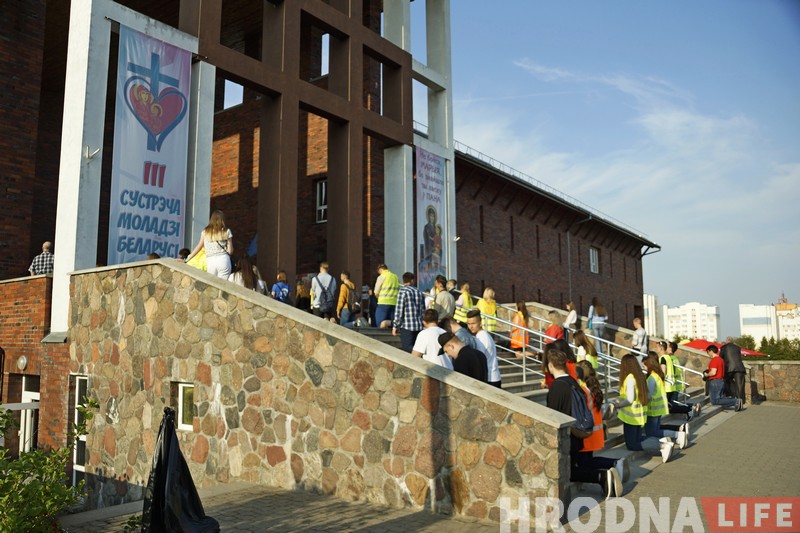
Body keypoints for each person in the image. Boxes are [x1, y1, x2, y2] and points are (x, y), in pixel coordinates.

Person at [546, 350, 622, 499]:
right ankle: (604, 475)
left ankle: (601, 476)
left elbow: (552, 415)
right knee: (575, 468)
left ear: (551, 365)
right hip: (578, 434)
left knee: (569, 473)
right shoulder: (574, 382)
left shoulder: (557, 386)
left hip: (566, 438)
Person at [611, 354, 675, 463]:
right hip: (638, 415)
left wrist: (618, 405)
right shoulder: (638, 376)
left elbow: (630, 399)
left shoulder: (630, 379)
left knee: (632, 444)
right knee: (638, 439)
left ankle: (662, 446)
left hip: (631, 417)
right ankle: (663, 443)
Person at [575, 360, 629, 487]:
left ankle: (613, 464)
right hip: (595, 431)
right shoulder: (593, 388)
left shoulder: (583, 390)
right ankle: (612, 468)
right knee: (587, 460)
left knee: (585, 462)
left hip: (587, 433)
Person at [642, 353, 688, 449]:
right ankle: (669, 439)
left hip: (652, 409)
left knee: (652, 432)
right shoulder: (658, 375)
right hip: (658, 408)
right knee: (655, 430)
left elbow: (649, 395)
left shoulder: (651, 378)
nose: (643, 368)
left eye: (644, 365)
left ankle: (677, 435)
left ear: (649, 365)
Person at [185, 210, 234, 279]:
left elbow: (199, 247)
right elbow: (230, 251)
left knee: (212, 282)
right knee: (223, 283)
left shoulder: (205, 232)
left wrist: (187, 259)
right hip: (223, 259)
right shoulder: (227, 231)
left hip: (210, 261)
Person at [658, 341, 699, 420]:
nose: (666, 348)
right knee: (671, 405)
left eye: (668, 346)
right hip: (674, 384)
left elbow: (665, 371)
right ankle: (691, 407)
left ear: (670, 348)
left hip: (670, 384)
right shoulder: (672, 358)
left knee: (669, 406)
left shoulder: (667, 358)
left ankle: (689, 408)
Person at [466, 309, 502, 389]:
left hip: (489, 379)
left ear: (480, 323)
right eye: (468, 324)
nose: (471, 326)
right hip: (493, 377)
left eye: (473, 323)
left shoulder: (481, 338)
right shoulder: (484, 335)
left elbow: (479, 361)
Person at [391, 272, 426, 352]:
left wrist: (395, 326)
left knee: (407, 349)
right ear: (412, 280)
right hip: (419, 326)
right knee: (417, 349)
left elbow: (399, 310)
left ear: (404, 280)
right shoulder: (419, 292)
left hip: (407, 326)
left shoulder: (402, 291)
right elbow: (423, 310)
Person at [704, 345, 742, 411]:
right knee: (720, 398)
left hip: (715, 381)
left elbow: (713, 372)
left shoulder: (714, 360)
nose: (708, 354)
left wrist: (706, 375)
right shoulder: (721, 359)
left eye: (708, 352)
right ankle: (736, 402)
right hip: (721, 381)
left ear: (711, 351)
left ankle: (735, 401)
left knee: (715, 401)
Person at [720, 337, 747, 404]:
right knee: (740, 385)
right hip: (739, 367)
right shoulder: (737, 347)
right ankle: (741, 401)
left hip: (728, 367)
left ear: (726, 341)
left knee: (725, 381)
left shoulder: (724, 347)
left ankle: (729, 396)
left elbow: (720, 357)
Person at [373, 264, 399, 328]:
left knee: (379, 323)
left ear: (381, 269)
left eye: (378, 271)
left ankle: (391, 323)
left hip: (383, 302)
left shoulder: (381, 276)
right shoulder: (395, 277)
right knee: (392, 324)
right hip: (394, 303)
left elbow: (376, 291)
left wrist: (377, 297)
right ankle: (395, 323)